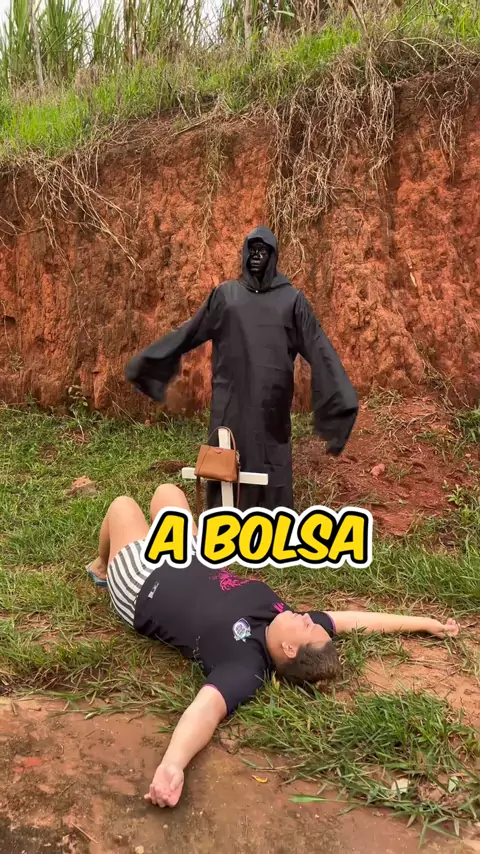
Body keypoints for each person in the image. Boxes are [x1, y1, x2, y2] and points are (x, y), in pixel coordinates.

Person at [87, 484, 460, 809]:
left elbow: (205, 711)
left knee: (123, 507)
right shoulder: (282, 619)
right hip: (190, 559)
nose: (307, 617)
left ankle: (103, 568)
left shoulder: (244, 666)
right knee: (167, 494)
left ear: (290, 650)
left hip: (144, 586)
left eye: (308, 627)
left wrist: (172, 764)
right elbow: (353, 619)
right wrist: (425, 624)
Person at [125, 226, 359, 511]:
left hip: (271, 410)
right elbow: (188, 332)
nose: (256, 257)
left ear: (273, 256)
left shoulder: (292, 302)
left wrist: (342, 397)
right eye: (252, 250)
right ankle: (223, 525)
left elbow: (320, 350)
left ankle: (272, 527)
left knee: (271, 471)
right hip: (230, 406)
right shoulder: (227, 297)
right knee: (225, 465)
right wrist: (150, 361)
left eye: (263, 251)